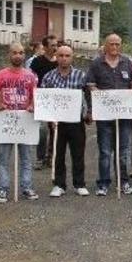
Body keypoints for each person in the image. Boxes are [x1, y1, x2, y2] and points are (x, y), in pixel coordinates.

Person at [86, 33, 132, 196]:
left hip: (124, 115)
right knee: (105, 151)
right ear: (105, 45)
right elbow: (90, 84)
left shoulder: (127, 62)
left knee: (123, 151)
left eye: (117, 44)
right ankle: (103, 183)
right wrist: (100, 95)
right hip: (105, 115)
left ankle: (123, 182)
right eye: (111, 44)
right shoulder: (96, 63)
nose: (115, 47)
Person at [0, 42, 40, 203]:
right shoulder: (0, 75)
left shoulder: (30, 76)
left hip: (25, 122)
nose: (18, 56)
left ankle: (26, 187)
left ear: (24, 55)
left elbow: (35, 96)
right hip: (6, 122)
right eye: (14, 53)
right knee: (3, 159)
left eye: (20, 53)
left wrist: (32, 105)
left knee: (26, 158)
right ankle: (3, 189)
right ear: (9, 55)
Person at [42, 45, 90, 198]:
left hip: (76, 120)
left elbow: (88, 96)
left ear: (72, 57)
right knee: (58, 153)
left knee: (78, 153)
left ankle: (79, 184)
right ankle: (59, 185)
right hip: (57, 122)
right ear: (56, 57)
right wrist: (49, 118)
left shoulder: (81, 75)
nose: (64, 58)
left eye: (67, 55)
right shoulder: (49, 77)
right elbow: (44, 99)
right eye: (61, 55)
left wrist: (89, 113)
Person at [29, 35, 58, 169]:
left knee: (55, 130)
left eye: (56, 45)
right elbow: (32, 79)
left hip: (56, 99)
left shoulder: (59, 62)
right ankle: (40, 158)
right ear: (45, 47)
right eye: (52, 45)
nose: (55, 48)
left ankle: (51, 156)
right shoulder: (37, 61)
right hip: (41, 98)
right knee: (42, 130)